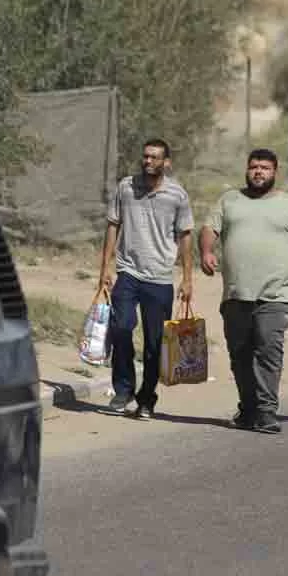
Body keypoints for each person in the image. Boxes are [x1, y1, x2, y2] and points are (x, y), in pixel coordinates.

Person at [199, 148, 288, 434]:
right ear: (247, 169)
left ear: (275, 172)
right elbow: (209, 228)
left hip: (275, 295)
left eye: (265, 168)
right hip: (235, 294)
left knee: (268, 349)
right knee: (240, 353)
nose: (258, 172)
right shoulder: (229, 200)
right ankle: (248, 408)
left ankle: (267, 411)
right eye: (254, 166)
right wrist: (206, 251)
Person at [94, 138, 195, 422]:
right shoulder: (126, 187)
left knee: (154, 344)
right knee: (121, 327)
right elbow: (113, 225)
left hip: (160, 278)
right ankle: (123, 389)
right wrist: (105, 267)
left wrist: (188, 279)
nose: (148, 161)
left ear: (166, 162)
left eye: (154, 158)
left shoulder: (177, 195)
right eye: (145, 156)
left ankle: (146, 399)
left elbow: (186, 237)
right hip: (128, 273)